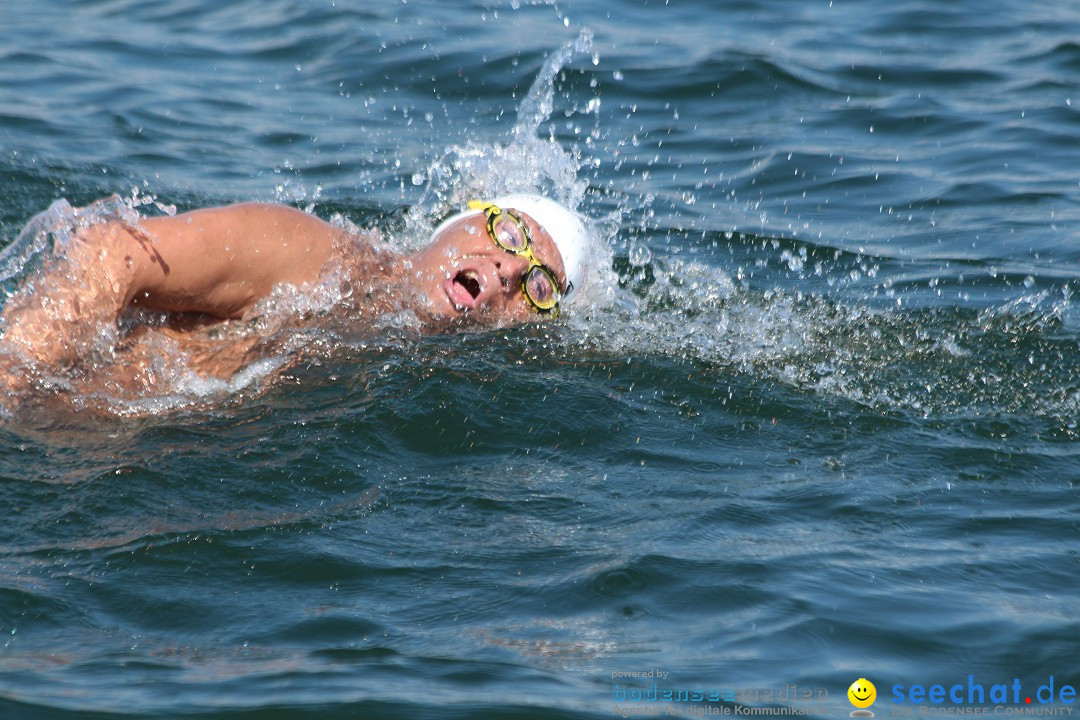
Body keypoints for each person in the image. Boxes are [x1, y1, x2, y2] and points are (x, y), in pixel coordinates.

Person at [0, 193, 590, 396]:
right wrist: (17, 375)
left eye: (538, 288)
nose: (507, 270)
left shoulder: (408, 373)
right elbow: (109, 251)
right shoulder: (318, 255)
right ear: (457, 223)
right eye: (506, 232)